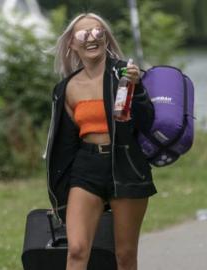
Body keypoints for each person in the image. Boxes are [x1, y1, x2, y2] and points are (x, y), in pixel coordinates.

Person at [44, 13, 157, 270]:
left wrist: (137, 88)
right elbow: (64, 144)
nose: (92, 39)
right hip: (87, 168)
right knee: (76, 250)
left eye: (98, 32)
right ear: (72, 44)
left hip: (125, 165)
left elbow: (146, 122)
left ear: (106, 38)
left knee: (125, 256)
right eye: (84, 35)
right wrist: (58, 188)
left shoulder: (124, 74)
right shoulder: (67, 89)